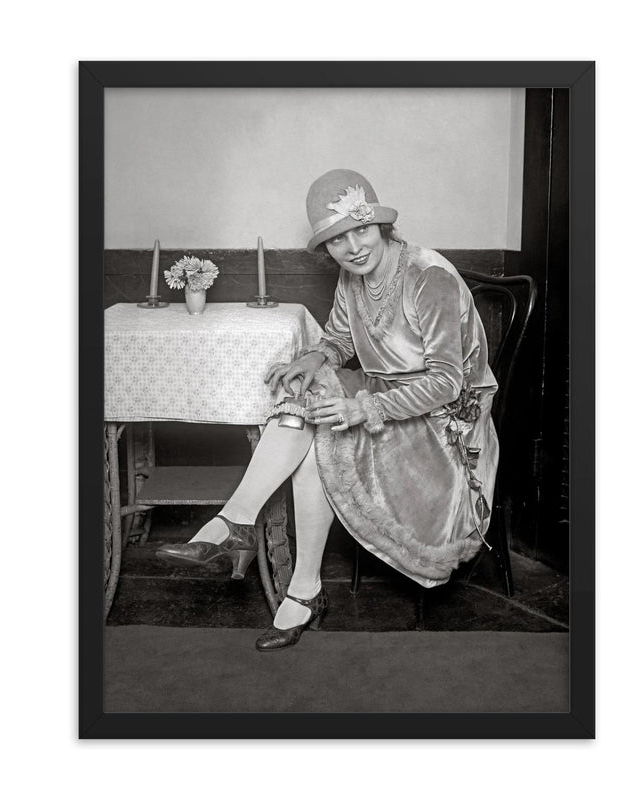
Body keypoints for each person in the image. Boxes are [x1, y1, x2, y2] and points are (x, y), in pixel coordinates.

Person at [157, 168, 499, 651]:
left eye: (362, 230)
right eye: (338, 239)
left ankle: (284, 573)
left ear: (382, 226)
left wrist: (364, 409)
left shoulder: (428, 277)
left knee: (322, 435)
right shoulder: (353, 276)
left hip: (444, 424)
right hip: (384, 392)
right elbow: (339, 338)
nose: (353, 248)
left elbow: (447, 383)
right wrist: (313, 358)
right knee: (309, 404)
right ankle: (248, 534)